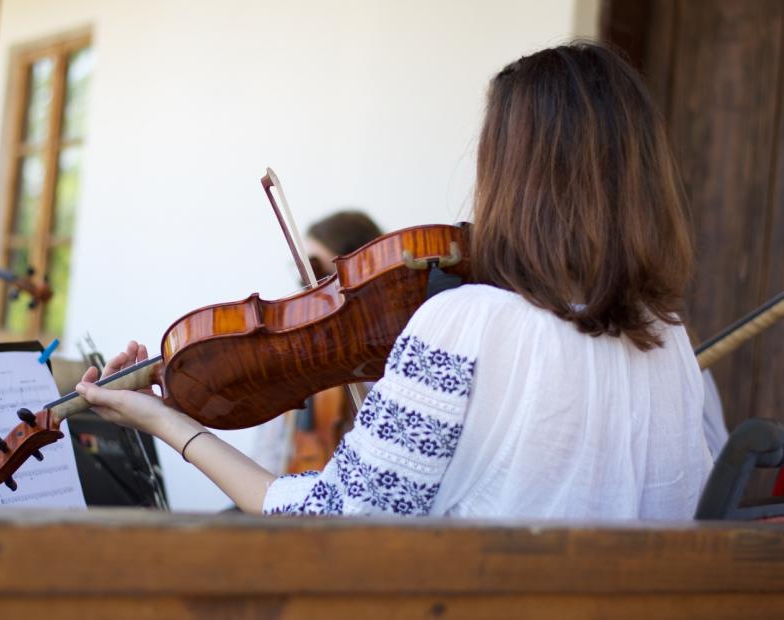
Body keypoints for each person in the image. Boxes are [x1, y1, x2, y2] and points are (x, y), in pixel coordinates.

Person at [76, 43, 713, 519]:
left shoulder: (469, 322)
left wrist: (168, 424)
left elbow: (327, 521)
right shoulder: (668, 341)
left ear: (512, 176)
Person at [251, 210, 382, 475]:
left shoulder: (390, 352)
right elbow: (266, 452)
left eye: (318, 271)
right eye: (304, 277)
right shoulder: (297, 350)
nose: (310, 292)